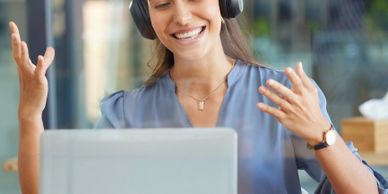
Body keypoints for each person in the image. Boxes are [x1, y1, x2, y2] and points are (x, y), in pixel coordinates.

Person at [9, 0, 388, 193]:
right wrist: (30, 115)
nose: (182, 17)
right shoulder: (126, 113)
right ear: (146, 19)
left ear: (225, 3)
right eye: (162, 4)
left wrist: (322, 133)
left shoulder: (283, 96)